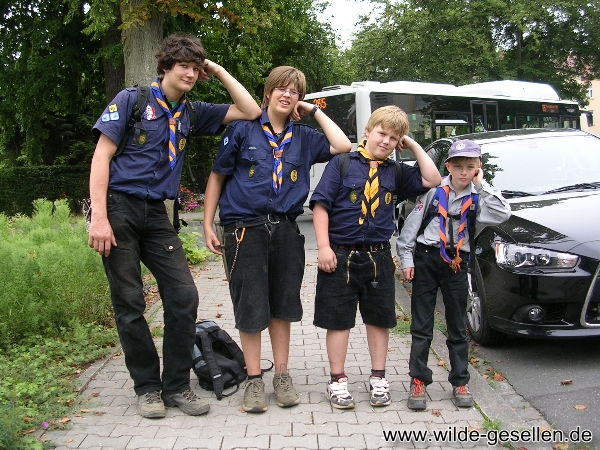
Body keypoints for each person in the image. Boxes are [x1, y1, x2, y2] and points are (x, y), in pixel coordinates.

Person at [88, 33, 262, 419]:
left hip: (157, 214)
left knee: (184, 297)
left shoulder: (192, 112)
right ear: (165, 66)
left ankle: (177, 386)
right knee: (130, 302)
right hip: (118, 208)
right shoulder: (133, 101)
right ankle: (148, 388)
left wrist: (217, 70)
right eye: (184, 66)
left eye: (196, 68)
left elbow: (250, 111)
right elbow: (102, 156)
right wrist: (98, 217)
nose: (191, 74)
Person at [203, 66, 352, 413]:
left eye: (294, 91)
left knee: (282, 307)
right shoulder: (242, 129)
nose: (287, 95)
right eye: (281, 88)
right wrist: (208, 223)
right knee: (250, 306)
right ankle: (254, 380)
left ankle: (282, 375)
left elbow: (343, 145)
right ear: (268, 92)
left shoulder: (304, 136)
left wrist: (314, 111)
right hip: (244, 229)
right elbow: (217, 177)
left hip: (285, 229)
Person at [309, 105, 441, 409]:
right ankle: (337, 380)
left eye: (394, 138)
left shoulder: (395, 171)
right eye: (382, 133)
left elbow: (432, 179)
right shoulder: (342, 163)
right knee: (338, 321)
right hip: (340, 255)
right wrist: (324, 247)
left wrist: (413, 144)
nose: (386, 141)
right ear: (367, 131)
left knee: (379, 320)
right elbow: (321, 206)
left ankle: (378, 378)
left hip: (378, 257)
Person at [396, 139, 511, 411]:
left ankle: (460, 381)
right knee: (421, 325)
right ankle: (418, 380)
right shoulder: (433, 193)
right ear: (448, 166)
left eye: (470, 167)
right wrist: (407, 260)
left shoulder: (478, 198)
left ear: (478, 168)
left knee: (458, 325)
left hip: (457, 264)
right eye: (458, 166)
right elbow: (409, 230)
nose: (463, 172)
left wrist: (481, 185)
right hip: (427, 260)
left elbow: (503, 214)